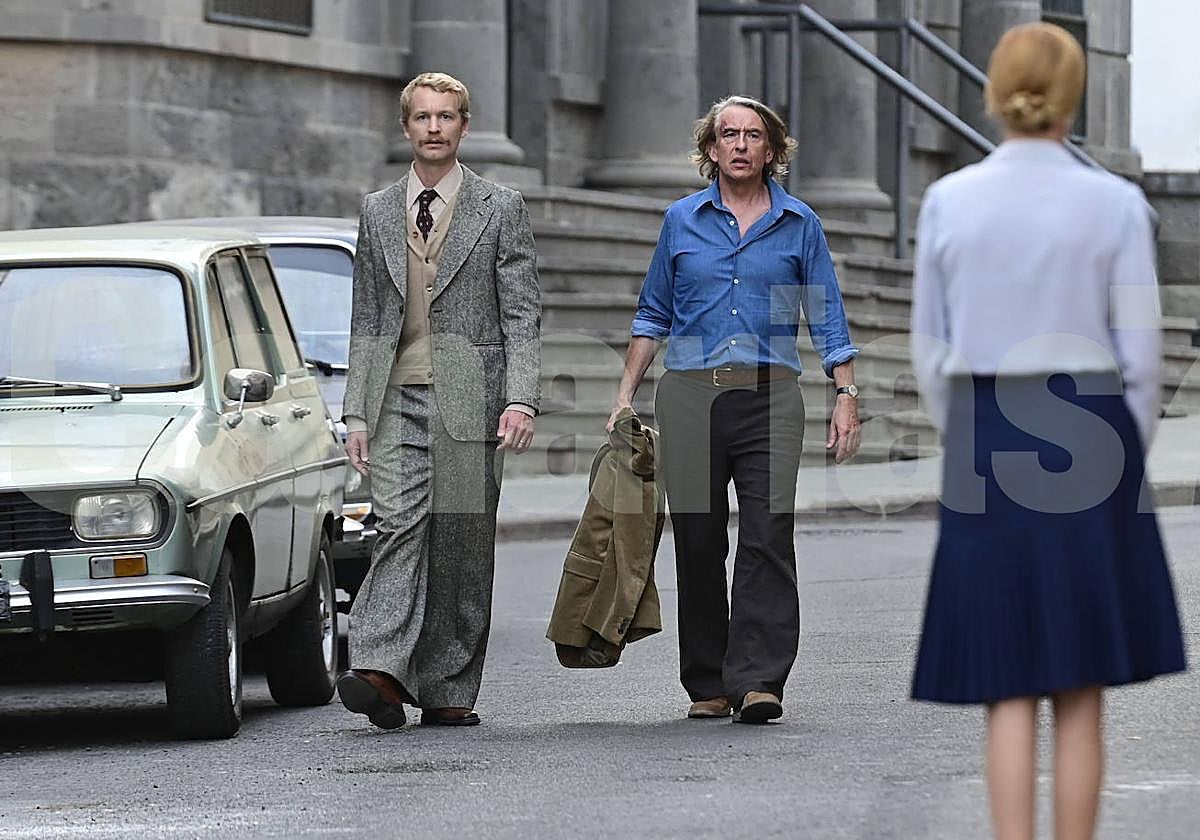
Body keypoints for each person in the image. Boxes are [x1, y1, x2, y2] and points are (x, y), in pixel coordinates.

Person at [909, 23, 1186, 840]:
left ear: (994, 91)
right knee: (1079, 682)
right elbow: (1143, 354)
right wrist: (1121, 452)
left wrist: (969, 431)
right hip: (1093, 429)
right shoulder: (1115, 204)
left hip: (987, 429)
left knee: (1005, 681)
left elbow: (931, 349)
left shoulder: (950, 199)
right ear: (1074, 96)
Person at [608, 94, 861, 724]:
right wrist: (623, 396)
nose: (741, 144)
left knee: (768, 535)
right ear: (711, 149)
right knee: (697, 540)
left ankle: (759, 680)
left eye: (753, 135)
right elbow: (652, 313)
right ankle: (708, 681)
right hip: (690, 393)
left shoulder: (800, 224)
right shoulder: (681, 221)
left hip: (771, 395)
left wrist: (846, 394)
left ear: (771, 150)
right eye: (729, 135)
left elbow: (827, 314)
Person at [336, 71, 541, 729]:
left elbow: (520, 313)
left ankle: (447, 686)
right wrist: (357, 410)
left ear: (463, 126)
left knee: (460, 540)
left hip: (471, 395)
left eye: (446, 117)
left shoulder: (500, 205)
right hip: (397, 394)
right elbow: (368, 316)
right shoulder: (375, 210)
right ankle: (377, 667)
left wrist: (521, 398)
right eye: (422, 117)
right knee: (397, 525)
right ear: (406, 128)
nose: (433, 127)